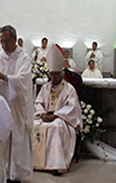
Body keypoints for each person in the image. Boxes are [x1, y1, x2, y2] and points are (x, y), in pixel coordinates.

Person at [0, 25, 34, 183]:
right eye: (2, 42)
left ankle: (15, 174)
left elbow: (23, 79)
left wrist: (5, 77)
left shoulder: (23, 58)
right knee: (1, 137)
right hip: (0, 105)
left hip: (16, 108)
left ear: (14, 39)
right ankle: (1, 172)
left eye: (7, 41)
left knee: (16, 137)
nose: (4, 45)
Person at [32, 44, 82, 175]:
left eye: (55, 75)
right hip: (46, 118)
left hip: (63, 120)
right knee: (33, 125)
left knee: (55, 127)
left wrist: (56, 115)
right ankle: (34, 163)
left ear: (61, 74)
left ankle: (56, 165)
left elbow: (72, 108)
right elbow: (38, 102)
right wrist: (42, 114)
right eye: (51, 75)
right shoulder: (45, 88)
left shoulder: (69, 89)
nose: (53, 78)